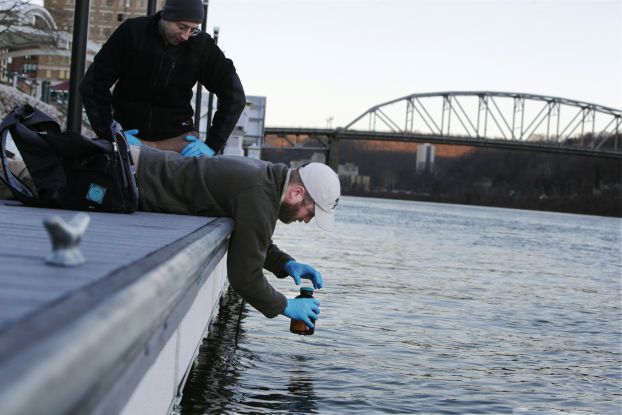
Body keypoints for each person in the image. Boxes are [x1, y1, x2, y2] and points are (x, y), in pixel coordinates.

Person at [132, 146, 341, 327]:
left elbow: (254, 239)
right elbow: (245, 277)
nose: (306, 220)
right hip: (130, 174)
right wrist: (285, 306)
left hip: (138, 168)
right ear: (297, 193)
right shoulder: (260, 195)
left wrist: (286, 264)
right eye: (310, 213)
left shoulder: (267, 181)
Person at [80, 0, 245, 157]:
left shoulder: (201, 47)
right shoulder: (132, 33)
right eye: (182, 27)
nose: (186, 35)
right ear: (166, 16)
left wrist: (212, 145)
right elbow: (93, 83)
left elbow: (234, 96)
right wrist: (108, 130)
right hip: (129, 137)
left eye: (193, 29)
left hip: (177, 143)